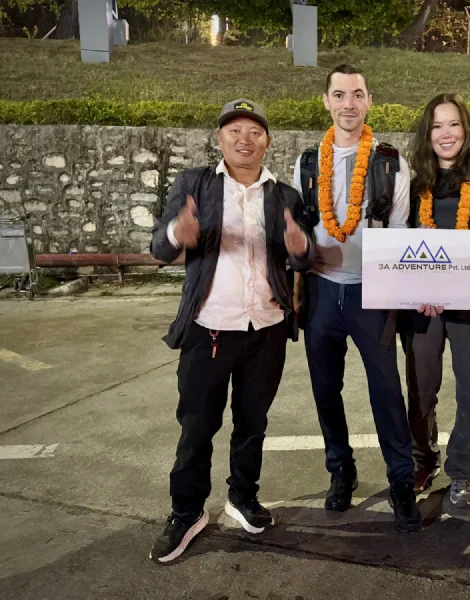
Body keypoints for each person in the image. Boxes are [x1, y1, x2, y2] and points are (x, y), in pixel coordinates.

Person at [149, 99, 315, 563]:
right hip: (209, 329)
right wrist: (176, 235)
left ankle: (243, 498)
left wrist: (301, 246)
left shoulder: (284, 196)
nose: (245, 139)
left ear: (267, 141)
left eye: (255, 132)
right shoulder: (194, 185)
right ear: (219, 138)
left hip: (266, 327)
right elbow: (159, 246)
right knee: (197, 426)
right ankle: (186, 513)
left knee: (252, 424)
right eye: (235, 130)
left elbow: (301, 257)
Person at [292, 64, 422, 533]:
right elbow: (305, 225)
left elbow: (404, 232)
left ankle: (402, 482)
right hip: (323, 292)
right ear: (326, 101)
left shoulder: (390, 162)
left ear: (369, 102)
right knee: (326, 390)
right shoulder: (307, 162)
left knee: (387, 391)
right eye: (340, 94)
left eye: (358, 94)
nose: (349, 103)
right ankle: (340, 471)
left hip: (374, 292)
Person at [404, 93, 470, 506]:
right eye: (436, 126)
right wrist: (425, 288)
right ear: (427, 134)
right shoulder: (414, 189)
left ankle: (462, 473)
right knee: (421, 389)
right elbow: (402, 247)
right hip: (423, 309)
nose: (445, 134)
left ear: (466, 131)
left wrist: (454, 274)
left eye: (453, 125)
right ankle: (422, 460)